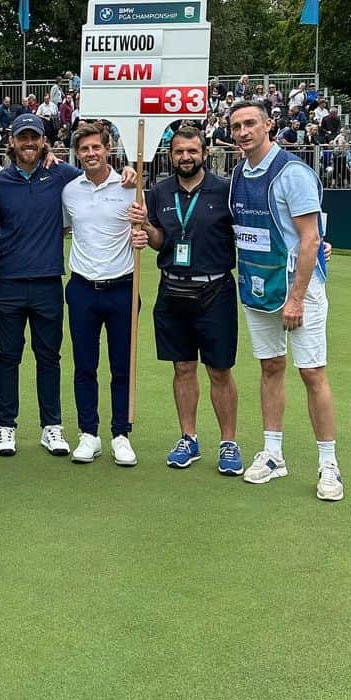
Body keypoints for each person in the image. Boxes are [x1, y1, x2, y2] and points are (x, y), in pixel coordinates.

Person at [0, 113, 136, 458]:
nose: (28, 144)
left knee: (49, 358)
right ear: (12, 141)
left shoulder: (63, 177)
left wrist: (130, 168)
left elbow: (100, 175)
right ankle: (5, 427)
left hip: (49, 283)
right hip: (7, 281)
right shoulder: (0, 181)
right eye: (22, 138)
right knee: (7, 357)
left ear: (45, 143)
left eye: (34, 138)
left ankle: (52, 426)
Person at [227, 100, 344, 502]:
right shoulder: (238, 173)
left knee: (312, 374)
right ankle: (273, 454)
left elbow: (310, 239)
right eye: (236, 126)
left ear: (268, 125)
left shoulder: (292, 172)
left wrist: (296, 299)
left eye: (250, 124)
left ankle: (329, 464)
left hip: (298, 291)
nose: (243, 132)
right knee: (271, 367)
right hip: (258, 287)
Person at [128, 125, 242, 475]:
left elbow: (249, 232)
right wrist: (146, 228)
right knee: (182, 367)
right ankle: (188, 438)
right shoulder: (160, 191)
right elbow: (163, 241)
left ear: (204, 153)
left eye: (192, 151)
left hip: (215, 290)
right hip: (172, 289)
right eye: (179, 151)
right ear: (171, 154)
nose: (186, 157)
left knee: (219, 370)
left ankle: (228, 443)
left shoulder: (225, 190)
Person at [61, 122, 140, 466]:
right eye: (84, 149)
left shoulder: (131, 187)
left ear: (108, 148)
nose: (90, 154)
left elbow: (148, 229)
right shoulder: (70, 191)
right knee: (85, 366)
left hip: (123, 288)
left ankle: (120, 434)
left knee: (122, 366)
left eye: (96, 147)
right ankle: (88, 434)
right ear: (77, 154)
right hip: (82, 289)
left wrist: (145, 229)